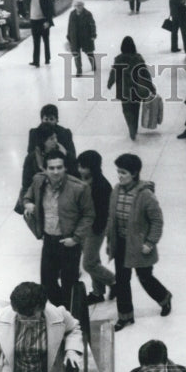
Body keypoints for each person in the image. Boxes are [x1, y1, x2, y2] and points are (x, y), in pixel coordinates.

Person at [105, 153, 172, 331]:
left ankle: (164, 297)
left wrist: (150, 243)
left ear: (134, 174)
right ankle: (125, 316)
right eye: (118, 172)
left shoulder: (146, 195)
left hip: (140, 246)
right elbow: (111, 218)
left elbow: (157, 221)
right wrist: (110, 241)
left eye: (124, 173)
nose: (119, 176)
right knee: (122, 281)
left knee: (145, 277)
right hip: (121, 244)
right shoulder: (116, 190)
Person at [22, 151, 95, 308]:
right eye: (51, 168)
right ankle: (57, 313)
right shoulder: (38, 181)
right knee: (47, 282)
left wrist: (75, 238)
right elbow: (26, 196)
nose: (55, 172)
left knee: (69, 284)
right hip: (48, 239)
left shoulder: (79, 188)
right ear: (45, 168)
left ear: (65, 168)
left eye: (59, 167)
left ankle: (69, 314)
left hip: (69, 242)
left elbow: (88, 215)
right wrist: (28, 203)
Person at [76, 151, 117, 306]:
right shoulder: (79, 178)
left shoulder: (102, 186)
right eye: (79, 166)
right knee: (93, 259)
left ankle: (113, 282)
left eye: (83, 167)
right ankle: (97, 292)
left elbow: (103, 213)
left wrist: (96, 230)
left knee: (88, 264)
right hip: (81, 226)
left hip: (95, 228)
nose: (80, 169)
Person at [18, 118, 80, 213]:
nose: (55, 141)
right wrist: (27, 202)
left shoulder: (61, 154)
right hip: (40, 197)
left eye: (55, 137)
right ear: (42, 141)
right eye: (51, 139)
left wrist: (67, 155)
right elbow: (26, 183)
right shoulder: (31, 158)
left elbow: (76, 174)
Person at [106, 36, 154, 141]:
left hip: (124, 90)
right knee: (135, 109)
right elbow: (145, 73)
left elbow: (114, 73)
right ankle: (134, 128)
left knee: (126, 110)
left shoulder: (119, 59)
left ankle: (131, 128)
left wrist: (110, 83)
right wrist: (151, 86)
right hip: (137, 89)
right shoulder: (138, 58)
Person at [25, 0, 55, 67]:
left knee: (46, 40)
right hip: (33, 21)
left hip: (43, 21)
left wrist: (48, 21)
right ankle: (36, 61)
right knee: (36, 41)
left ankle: (47, 58)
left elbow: (50, 9)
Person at [66, 0, 97, 77]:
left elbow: (92, 25)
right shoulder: (72, 14)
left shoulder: (88, 14)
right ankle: (79, 70)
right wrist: (68, 35)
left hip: (86, 36)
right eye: (76, 6)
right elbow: (69, 25)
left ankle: (93, 65)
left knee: (89, 52)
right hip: (75, 37)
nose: (78, 7)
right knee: (76, 54)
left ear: (83, 5)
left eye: (80, 5)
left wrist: (93, 35)